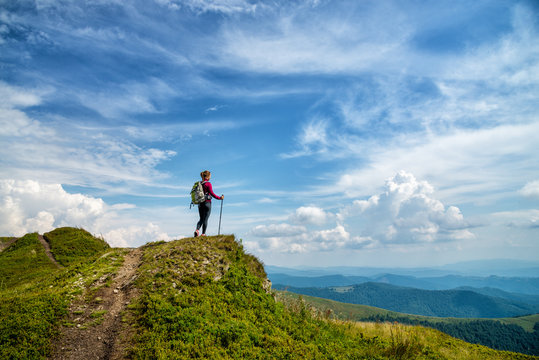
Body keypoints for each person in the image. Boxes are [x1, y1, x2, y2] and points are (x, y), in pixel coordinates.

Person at [194, 170, 223, 237]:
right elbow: (212, 193)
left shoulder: (199, 184)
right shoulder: (208, 184)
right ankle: (203, 234)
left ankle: (197, 230)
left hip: (200, 203)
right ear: (208, 176)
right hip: (207, 203)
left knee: (201, 218)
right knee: (205, 219)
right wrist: (220, 198)